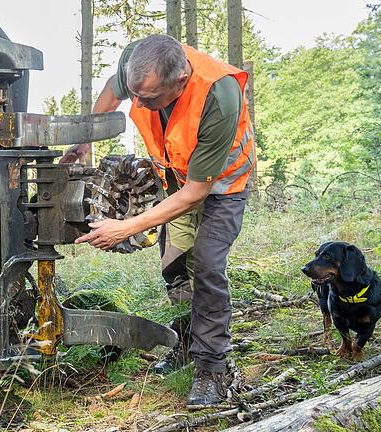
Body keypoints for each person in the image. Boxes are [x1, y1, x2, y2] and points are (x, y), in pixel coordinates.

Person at [69, 35, 255, 409]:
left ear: (181, 79)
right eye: (136, 94)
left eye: (149, 99)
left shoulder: (218, 95)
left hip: (221, 185)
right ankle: (187, 342)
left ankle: (213, 370)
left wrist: (126, 227)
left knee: (207, 264)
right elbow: (112, 91)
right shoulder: (142, 60)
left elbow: (195, 194)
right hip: (178, 178)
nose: (138, 104)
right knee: (175, 265)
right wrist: (85, 141)